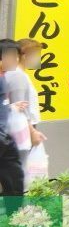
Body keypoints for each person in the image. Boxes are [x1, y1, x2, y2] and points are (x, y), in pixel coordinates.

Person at [4, 39, 47, 175]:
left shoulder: (19, 74)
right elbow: (20, 107)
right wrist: (32, 132)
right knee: (19, 170)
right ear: (24, 55)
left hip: (23, 126)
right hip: (22, 127)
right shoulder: (17, 75)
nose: (38, 58)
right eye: (36, 54)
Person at [0, 39, 25, 199]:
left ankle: (13, 211)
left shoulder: (3, 76)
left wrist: (10, 107)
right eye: (12, 55)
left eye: (17, 56)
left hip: (4, 138)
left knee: (14, 177)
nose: (16, 59)